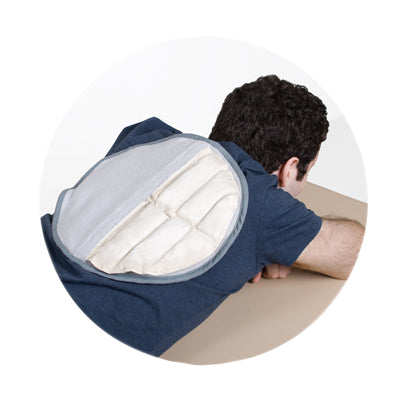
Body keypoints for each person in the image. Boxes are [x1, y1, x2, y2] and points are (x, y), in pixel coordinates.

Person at [41, 74, 364, 357]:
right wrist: (282, 243)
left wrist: (269, 246)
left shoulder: (148, 134)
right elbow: (356, 252)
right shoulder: (264, 207)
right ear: (290, 169)